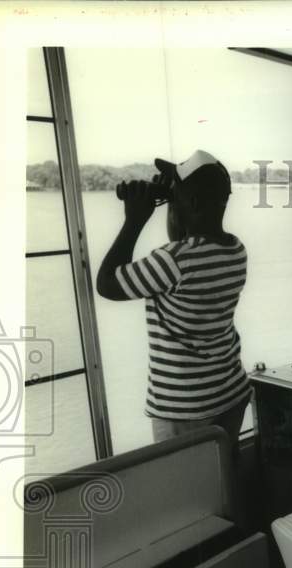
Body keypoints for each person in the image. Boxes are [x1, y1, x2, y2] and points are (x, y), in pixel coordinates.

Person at [96, 150, 251, 454]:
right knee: (221, 482)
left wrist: (135, 220)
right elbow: (187, 239)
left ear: (191, 203)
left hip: (186, 408)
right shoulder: (235, 250)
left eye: (175, 192)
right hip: (229, 392)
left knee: (185, 493)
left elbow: (107, 284)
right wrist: (176, 199)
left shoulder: (174, 261)